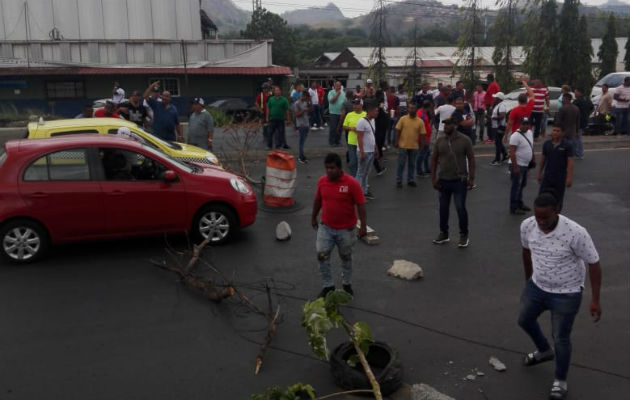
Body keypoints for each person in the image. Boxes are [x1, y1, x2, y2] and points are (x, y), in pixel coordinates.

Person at [518, 191, 602, 400]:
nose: (540, 222)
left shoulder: (576, 232)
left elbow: (594, 263)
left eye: (545, 217)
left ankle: (560, 381)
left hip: (567, 293)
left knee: (561, 338)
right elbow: (526, 251)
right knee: (524, 320)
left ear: (557, 211)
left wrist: (595, 300)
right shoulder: (528, 225)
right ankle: (544, 351)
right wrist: (528, 280)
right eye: (537, 217)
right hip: (537, 286)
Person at [311, 153, 367, 298]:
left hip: (346, 230)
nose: (329, 171)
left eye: (332, 168)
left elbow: (361, 204)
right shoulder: (322, 181)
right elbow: (318, 200)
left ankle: (346, 284)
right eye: (327, 168)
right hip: (326, 228)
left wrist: (363, 226)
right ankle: (328, 286)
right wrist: (313, 217)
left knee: (346, 258)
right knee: (322, 256)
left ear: (340, 168)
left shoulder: (351, 183)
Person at [430, 117, 475, 248]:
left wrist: (471, 178)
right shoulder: (440, 140)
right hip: (443, 180)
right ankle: (444, 233)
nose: (446, 127)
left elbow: (471, 159)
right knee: (443, 208)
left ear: (455, 125)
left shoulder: (465, 140)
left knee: (460, 208)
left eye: (448, 124)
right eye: (444, 124)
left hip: (459, 180)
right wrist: (433, 178)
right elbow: (433, 160)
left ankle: (463, 235)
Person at [537, 125, 574, 212]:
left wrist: (569, 178)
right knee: (542, 198)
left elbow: (570, 162)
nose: (555, 132)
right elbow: (543, 160)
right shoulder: (547, 144)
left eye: (558, 131)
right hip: (547, 177)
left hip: (560, 178)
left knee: (558, 200)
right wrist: (539, 174)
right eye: (554, 130)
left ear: (562, 133)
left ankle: (557, 216)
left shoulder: (567, 146)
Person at [394, 102, 426, 188]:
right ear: (408, 109)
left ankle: (410, 180)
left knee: (412, 164)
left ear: (416, 109)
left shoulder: (420, 121)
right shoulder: (403, 119)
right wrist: (396, 141)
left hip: (414, 146)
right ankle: (399, 180)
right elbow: (398, 130)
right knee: (401, 164)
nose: (412, 110)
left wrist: (422, 146)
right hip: (403, 145)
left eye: (413, 108)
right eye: (410, 108)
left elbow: (423, 135)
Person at [508, 117, 535, 215]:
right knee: (516, 187)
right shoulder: (515, 136)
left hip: (526, 165)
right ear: (520, 124)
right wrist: (515, 167)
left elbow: (531, 147)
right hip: (517, 165)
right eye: (523, 124)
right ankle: (513, 208)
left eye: (527, 124)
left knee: (522, 185)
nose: (525, 126)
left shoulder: (530, 133)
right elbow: (512, 152)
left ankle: (520, 203)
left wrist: (533, 159)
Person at [355, 103, 379, 199]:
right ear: (370, 111)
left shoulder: (372, 121)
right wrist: (362, 152)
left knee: (366, 173)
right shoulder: (361, 122)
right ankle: (357, 192)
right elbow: (359, 138)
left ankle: (364, 191)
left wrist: (375, 148)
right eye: (375, 111)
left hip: (371, 151)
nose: (377, 112)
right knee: (360, 173)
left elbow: (372, 136)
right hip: (364, 152)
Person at [342, 98, 366, 177]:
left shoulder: (365, 114)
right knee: (352, 162)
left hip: (362, 143)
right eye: (354, 104)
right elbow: (344, 126)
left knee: (361, 162)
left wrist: (361, 130)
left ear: (361, 105)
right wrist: (351, 128)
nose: (354, 106)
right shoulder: (349, 114)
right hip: (351, 142)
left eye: (356, 104)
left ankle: (361, 179)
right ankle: (354, 178)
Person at [266, 85, 291, 150]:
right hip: (272, 119)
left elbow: (287, 110)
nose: (277, 91)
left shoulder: (284, 100)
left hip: (281, 119)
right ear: (274, 92)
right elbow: (268, 109)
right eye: (276, 90)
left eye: (278, 90)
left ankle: (278, 146)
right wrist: (267, 118)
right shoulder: (271, 99)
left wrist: (288, 120)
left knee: (281, 133)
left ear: (280, 91)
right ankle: (269, 146)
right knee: (270, 133)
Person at [572, 88, 593, 159]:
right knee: (576, 137)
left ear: (579, 92)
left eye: (575, 92)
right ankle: (576, 152)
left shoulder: (577, 101)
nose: (574, 94)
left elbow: (572, 109)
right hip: (585, 120)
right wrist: (587, 115)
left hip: (578, 121)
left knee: (577, 137)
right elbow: (592, 108)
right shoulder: (587, 99)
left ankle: (579, 153)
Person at [490, 92, 509, 165]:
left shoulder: (502, 106)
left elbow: (502, 116)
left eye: (495, 97)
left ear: (499, 99)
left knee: (497, 143)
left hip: (499, 127)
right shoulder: (498, 105)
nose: (494, 98)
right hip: (496, 126)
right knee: (499, 142)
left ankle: (497, 160)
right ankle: (505, 154)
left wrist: (494, 118)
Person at [416, 100, 433, 177]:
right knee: (422, 154)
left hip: (426, 137)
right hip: (423, 138)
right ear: (428, 107)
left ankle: (426, 169)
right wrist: (423, 139)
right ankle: (419, 171)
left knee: (427, 153)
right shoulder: (421, 115)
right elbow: (420, 127)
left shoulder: (422, 113)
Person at [294, 90, 311, 163]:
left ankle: (302, 155)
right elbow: (296, 114)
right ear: (302, 96)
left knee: (303, 141)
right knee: (301, 142)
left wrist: (310, 102)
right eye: (305, 97)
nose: (306, 98)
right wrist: (303, 111)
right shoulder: (297, 103)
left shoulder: (305, 102)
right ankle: (300, 157)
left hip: (306, 124)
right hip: (301, 124)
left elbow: (310, 110)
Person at [327, 81, 347, 146]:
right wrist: (337, 94)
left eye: (340, 85)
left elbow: (345, 102)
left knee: (340, 128)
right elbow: (331, 101)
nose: (338, 87)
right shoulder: (331, 92)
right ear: (334, 85)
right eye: (337, 85)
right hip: (333, 113)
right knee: (333, 128)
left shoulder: (343, 93)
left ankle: (337, 141)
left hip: (341, 113)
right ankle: (332, 142)